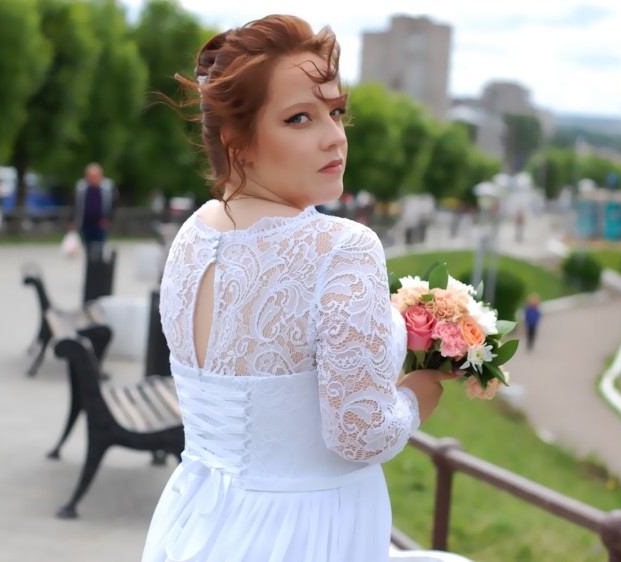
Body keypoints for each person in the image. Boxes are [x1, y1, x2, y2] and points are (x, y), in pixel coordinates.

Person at [141, 15, 456, 562]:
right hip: (305, 532)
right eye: (299, 118)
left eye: (336, 112)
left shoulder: (192, 235)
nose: (334, 136)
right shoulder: (343, 248)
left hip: (195, 519)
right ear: (237, 141)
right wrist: (419, 393)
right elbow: (359, 436)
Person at [70, 162, 115, 259]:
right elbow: (76, 206)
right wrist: (74, 221)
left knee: (99, 247)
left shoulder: (107, 188)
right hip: (85, 222)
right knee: (87, 247)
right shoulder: (81, 188)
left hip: (100, 222)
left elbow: (112, 205)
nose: (93, 178)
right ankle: (90, 265)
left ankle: (98, 265)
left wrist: (108, 219)